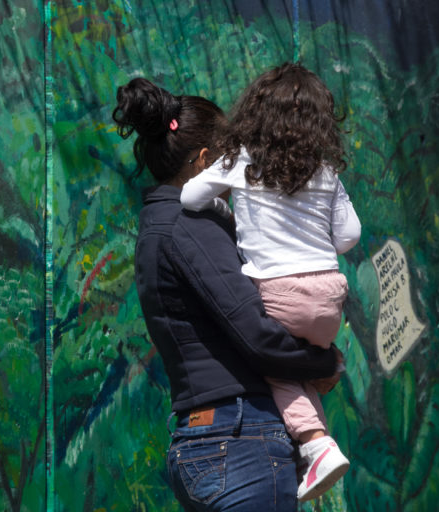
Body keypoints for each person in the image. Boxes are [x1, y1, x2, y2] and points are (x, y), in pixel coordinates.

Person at [112, 77, 343, 511]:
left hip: (204, 441)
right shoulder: (189, 226)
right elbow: (256, 335)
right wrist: (325, 362)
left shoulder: (155, 228)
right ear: (204, 162)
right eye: (230, 160)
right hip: (239, 442)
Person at [180, 62, 361, 502]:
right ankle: (315, 446)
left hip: (279, 293)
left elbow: (188, 197)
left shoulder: (241, 160)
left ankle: (314, 440)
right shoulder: (325, 172)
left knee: (271, 363)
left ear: (254, 114)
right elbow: (349, 237)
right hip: (329, 298)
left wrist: (229, 210)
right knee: (296, 372)